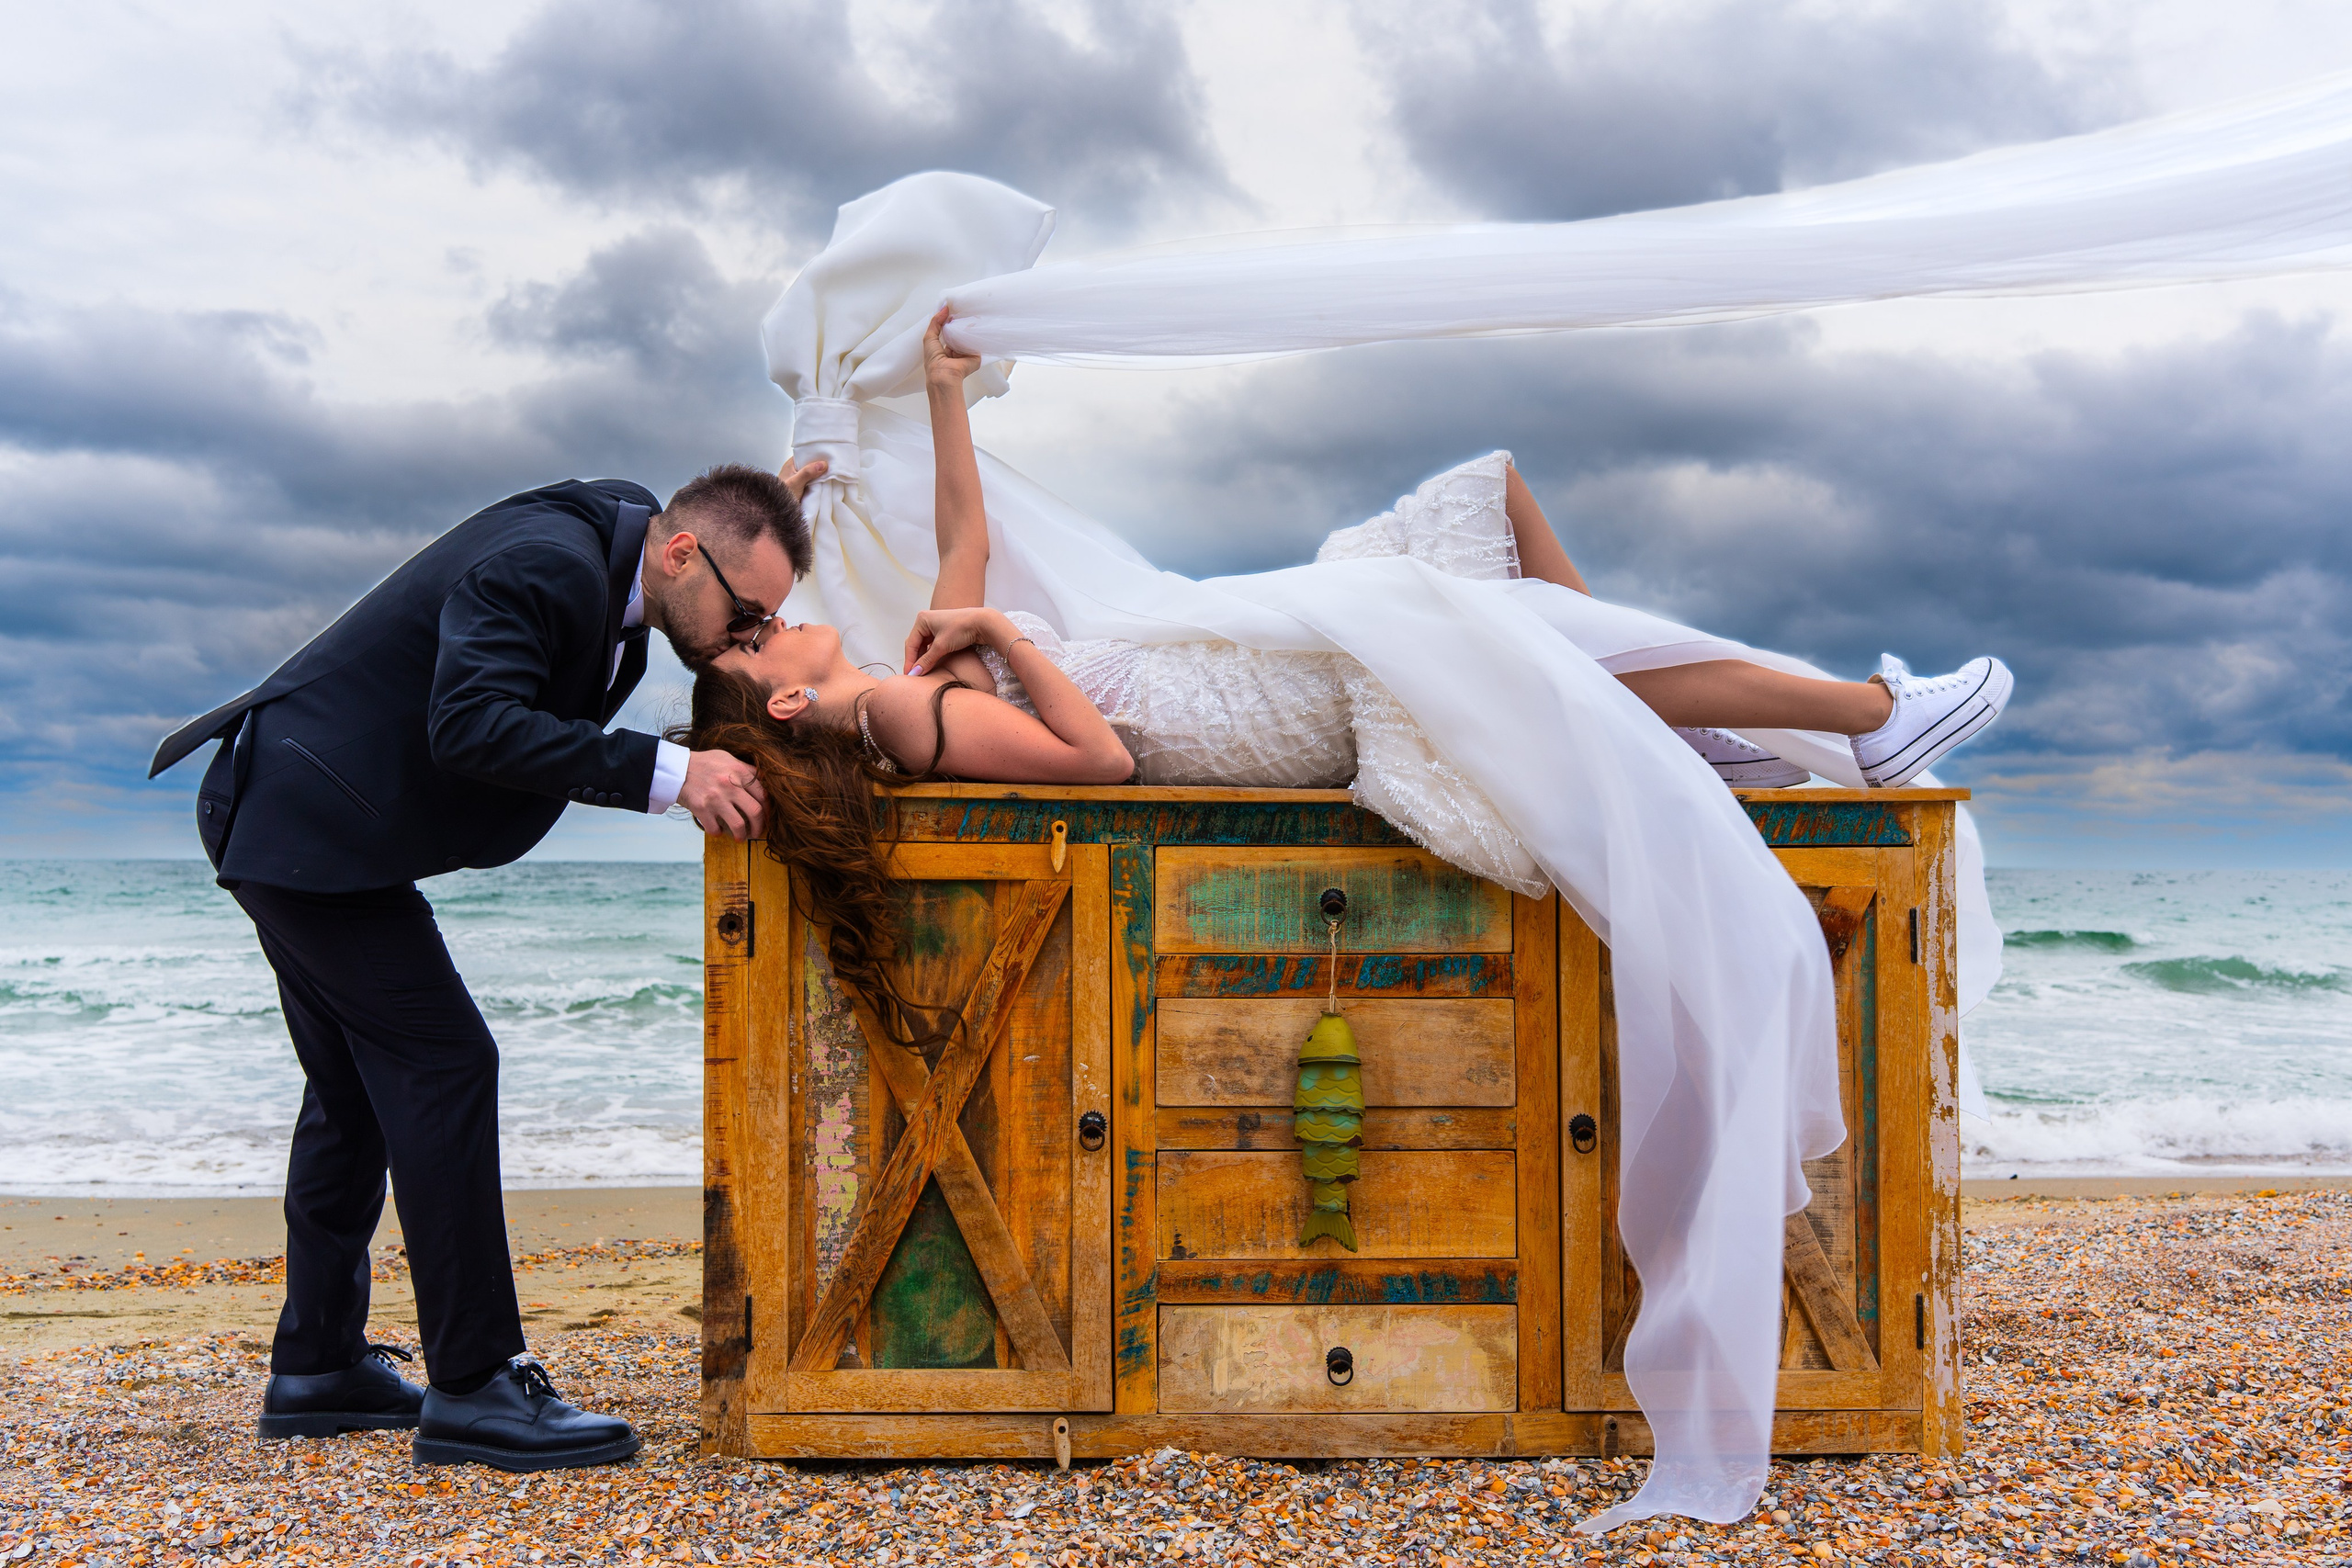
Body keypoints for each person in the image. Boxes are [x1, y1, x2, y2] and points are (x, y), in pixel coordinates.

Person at [685, 309, 2010, 942]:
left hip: (1245, 667)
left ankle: (1686, 730)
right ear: (787, 703)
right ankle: (1870, 716)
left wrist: (933, 396)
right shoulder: (911, 713)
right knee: (1503, 589)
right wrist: (1015, 640)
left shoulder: (916, 662)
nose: (776, 618)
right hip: (1254, 715)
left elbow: (963, 520)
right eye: (755, 643)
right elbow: (1098, 762)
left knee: (1493, 523)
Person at [146, 461, 820, 1471]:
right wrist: (670, 774)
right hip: (307, 830)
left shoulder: (630, 549)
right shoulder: (547, 565)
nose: (749, 640)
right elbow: (469, 723)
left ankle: (319, 1364)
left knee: (354, 1094)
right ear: (682, 555)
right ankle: (474, 1386)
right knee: (446, 1063)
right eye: (748, 614)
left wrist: (767, 502)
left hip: (304, 828)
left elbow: (710, 529)